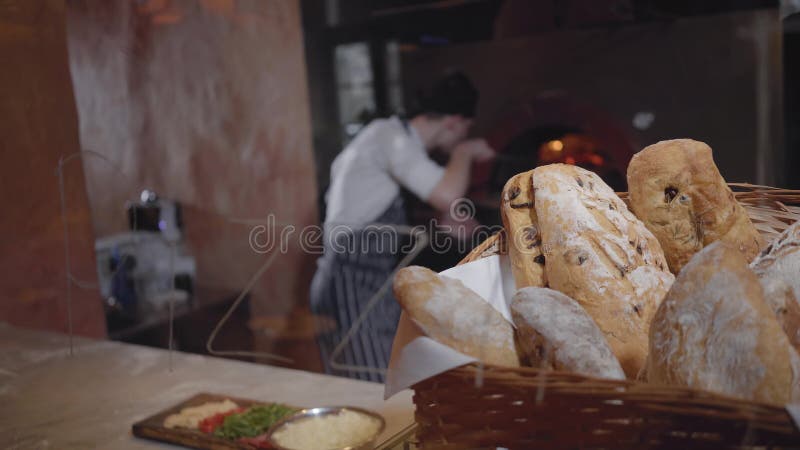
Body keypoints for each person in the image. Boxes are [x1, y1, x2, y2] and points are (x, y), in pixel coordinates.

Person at [309, 72, 494, 382]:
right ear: (454, 122)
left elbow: (423, 208)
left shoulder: (396, 142)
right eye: (465, 131)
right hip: (349, 283)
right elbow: (447, 194)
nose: (461, 139)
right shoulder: (389, 136)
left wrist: (448, 226)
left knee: (393, 376)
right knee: (372, 387)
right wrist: (465, 153)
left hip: (368, 283)